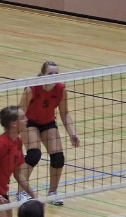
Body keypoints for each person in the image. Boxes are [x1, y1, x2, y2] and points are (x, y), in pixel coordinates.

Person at [16, 61, 80, 206]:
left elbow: (64, 113)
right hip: (29, 122)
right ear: (42, 75)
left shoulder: (61, 89)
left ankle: (53, 192)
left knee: (58, 157)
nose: (54, 76)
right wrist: (16, 133)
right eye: (50, 73)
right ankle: (20, 193)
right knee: (34, 155)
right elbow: (20, 113)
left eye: (56, 73)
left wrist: (72, 134)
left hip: (48, 122)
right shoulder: (32, 89)